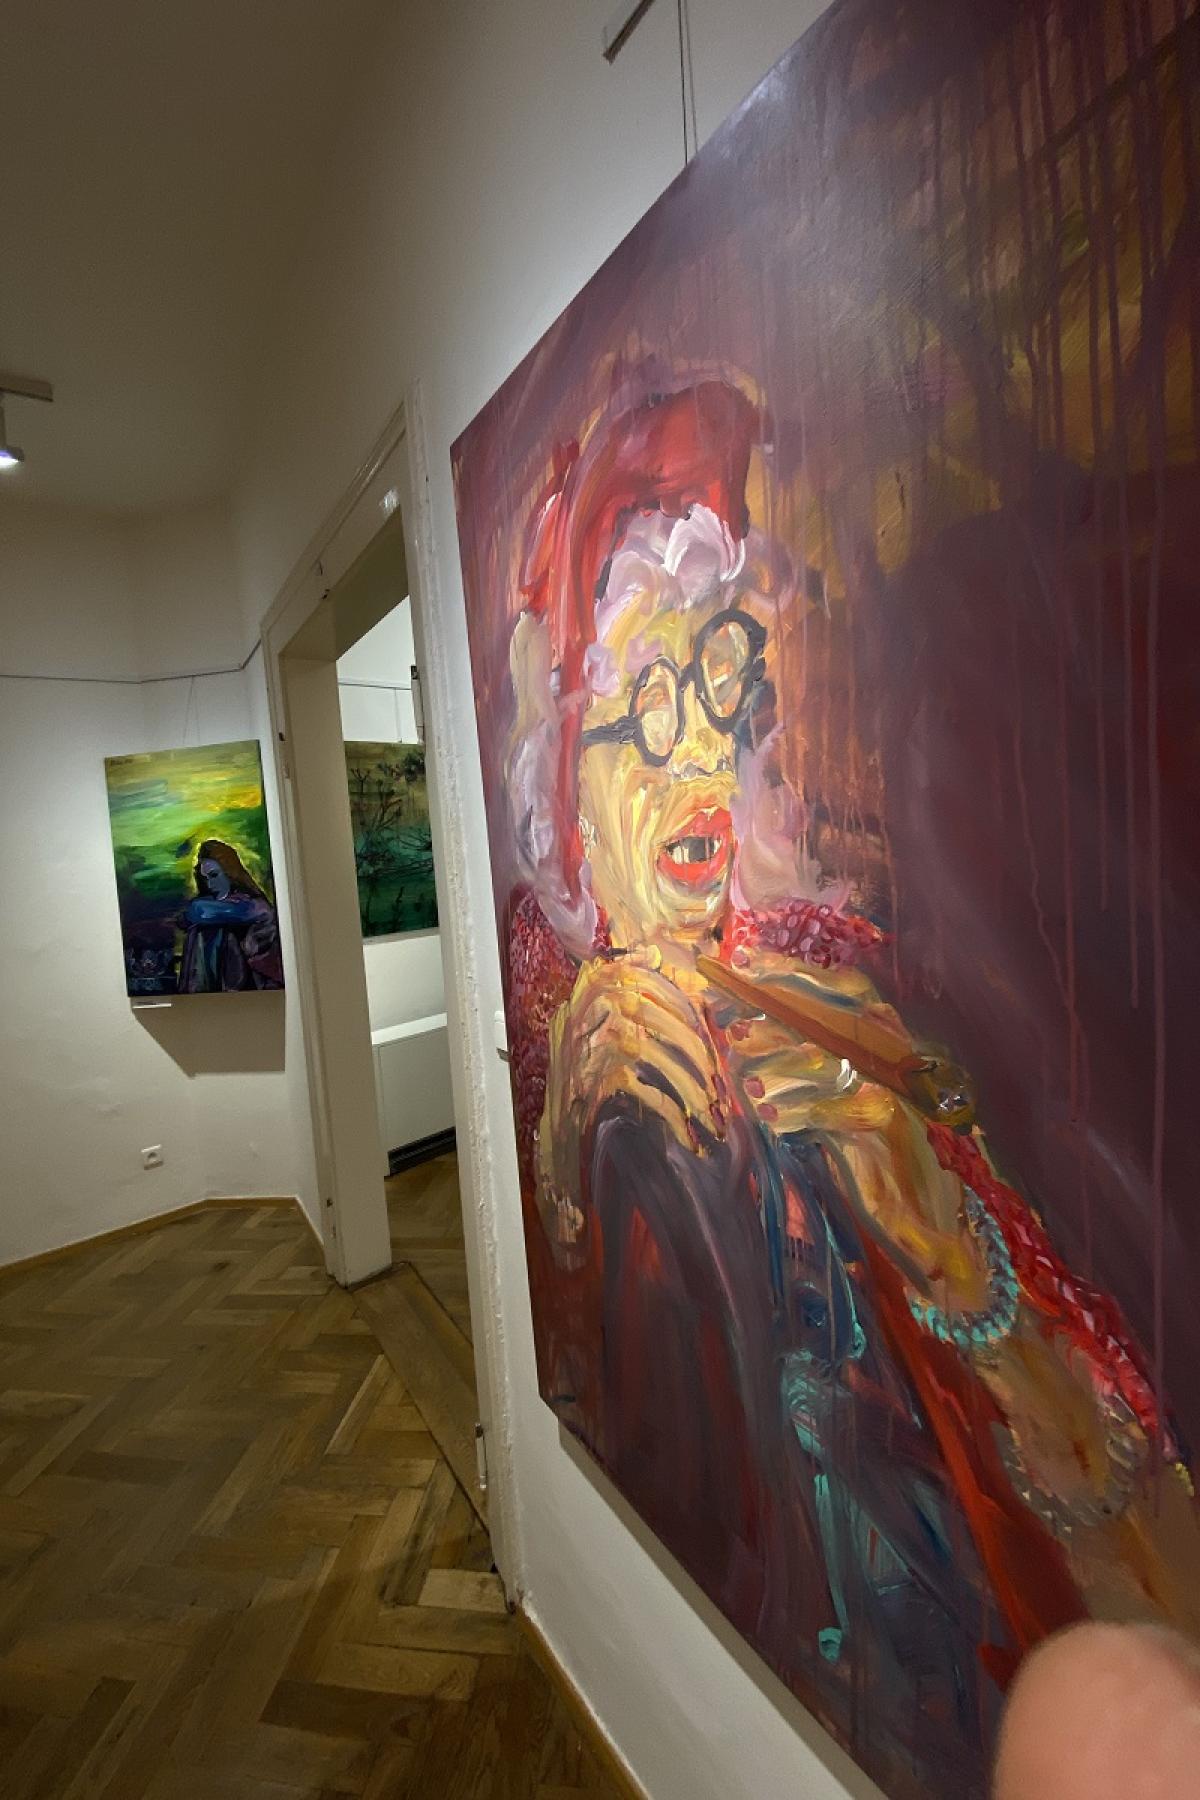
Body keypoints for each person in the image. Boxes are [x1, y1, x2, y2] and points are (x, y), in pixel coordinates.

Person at [499, 376, 1200, 1797]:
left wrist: (922, 1189)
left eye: (721, 694)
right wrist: (575, 1105)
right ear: (567, 785)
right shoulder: (606, 1056)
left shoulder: (815, 961)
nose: (699, 762)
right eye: (644, 718)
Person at [177, 838, 283, 993]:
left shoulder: (253, 906)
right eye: (205, 878)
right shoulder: (205, 911)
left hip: (248, 990)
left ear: (229, 872)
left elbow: (199, 911)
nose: (210, 884)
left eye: (214, 875)